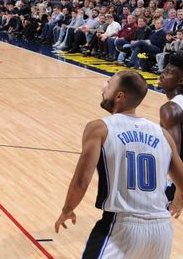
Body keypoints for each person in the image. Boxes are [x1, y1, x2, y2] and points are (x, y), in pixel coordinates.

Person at [54, 71, 183, 258]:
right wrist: (178, 200)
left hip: (122, 227)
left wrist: (67, 209)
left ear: (119, 95)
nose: (104, 87)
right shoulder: (162, 135)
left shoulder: (99, 128)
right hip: (161, 231)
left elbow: (81, 181)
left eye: (109, 83)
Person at [158, 53, 183, 201]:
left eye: (167, 73)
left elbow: (174, 154)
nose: (162, 74)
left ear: (180, 80)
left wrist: (179, 189)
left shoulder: (171, 109)